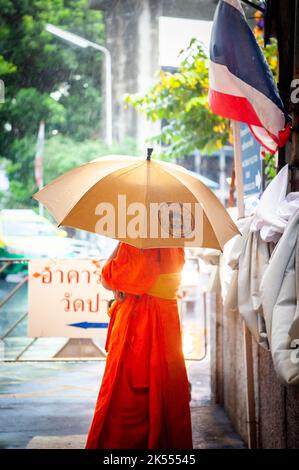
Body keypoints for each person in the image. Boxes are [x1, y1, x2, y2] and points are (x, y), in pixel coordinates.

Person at [85, 242, 193, 449]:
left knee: (127, 400)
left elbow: (108, 278)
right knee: (167, 393)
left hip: (141, 323)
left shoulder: (139, 238)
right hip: (166, 319)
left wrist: (119, 244)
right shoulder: (173, 234)